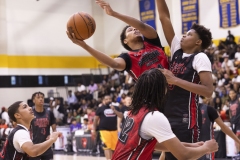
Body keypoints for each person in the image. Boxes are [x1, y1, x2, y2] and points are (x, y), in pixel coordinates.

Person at [112, 68, 218, 160]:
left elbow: (152, 144)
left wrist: (191, 145)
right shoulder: (153, 116)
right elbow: (184, 156)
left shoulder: (134, 111)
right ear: (162, 90)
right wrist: (207, 148)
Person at [156, 0, 214, 159]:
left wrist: (175, 80)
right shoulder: (177, 50)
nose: (183, 35)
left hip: (186, 120)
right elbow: (164, 18)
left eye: (189, 34)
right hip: (167, 117)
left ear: (198, 42)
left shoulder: (200, 57)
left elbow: (208, 91)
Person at [67, 0, 169, 81]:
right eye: (130, 30)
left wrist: (114, 13)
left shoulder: (152, 41)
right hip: (157, 97)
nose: (135, 29)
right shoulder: (128, 58)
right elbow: (113, 64)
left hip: (175, 89)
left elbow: (141, 26)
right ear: (125, 41)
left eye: (135, 28)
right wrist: (85, 46)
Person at [92, 95, 122, 160]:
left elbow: (121, 116)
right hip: (104, 130)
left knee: (114, 147)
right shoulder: (100, 108)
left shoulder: (116, 107)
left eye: (110, 99)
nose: (108, 100)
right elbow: (95, 120)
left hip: (114, 130)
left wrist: (114, 110)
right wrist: (93, 129)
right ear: (104, 101)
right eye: (107, 99)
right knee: (107, 146)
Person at [29, 92, 56, 160]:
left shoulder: (49, 113)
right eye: (38, 97)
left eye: (42, 97)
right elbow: (26, 129)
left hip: (47, 146)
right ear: (33, 100)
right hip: (34, 147)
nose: (41, 99)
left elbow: (54, 130)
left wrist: (52, 135)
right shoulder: (30, 114)